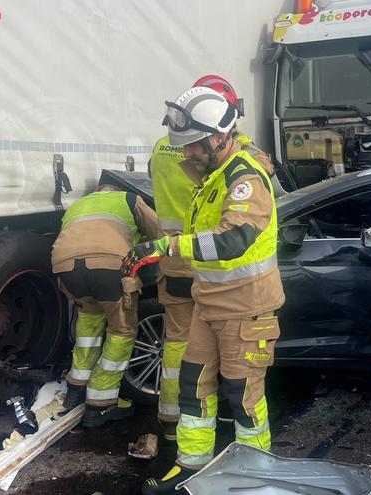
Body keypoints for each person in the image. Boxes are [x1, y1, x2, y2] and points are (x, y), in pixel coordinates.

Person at [123, 87, 284, 493]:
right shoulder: (214, 176)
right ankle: (191, 467)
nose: (188, 153)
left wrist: (168, 246)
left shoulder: (245, 177)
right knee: (193, 387)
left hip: (245, 308)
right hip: (208, 304)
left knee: (243, 396)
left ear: (219, 136)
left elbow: (232, 240)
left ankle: (254, 476)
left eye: (194, 144)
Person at [52, 184, 161, 427]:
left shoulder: (77, 206)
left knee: (88, 322)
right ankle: (100, 405)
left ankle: (75, 390)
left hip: (65, 267)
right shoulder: (129, 198)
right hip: (109, 266)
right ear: (115, 190)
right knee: (121, 330)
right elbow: (159, 233)